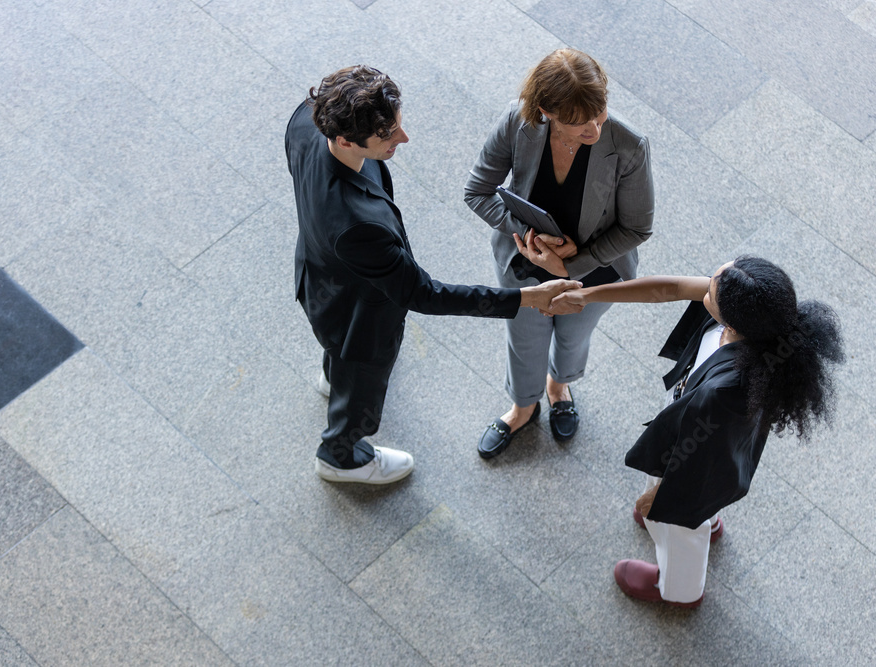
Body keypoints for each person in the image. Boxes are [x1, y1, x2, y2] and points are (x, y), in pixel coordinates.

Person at [286, 65, 580, 485]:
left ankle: (336, 376)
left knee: (341, 360)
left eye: (398, 125)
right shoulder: (358, 225)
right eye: (388, 137)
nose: (403, 139)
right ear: (346, 140)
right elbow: (423, 293)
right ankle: (340, 455)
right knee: (363, 389)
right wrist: (529, 298)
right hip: (362, 318)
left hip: (320, 279)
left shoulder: (306, 119)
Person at [548, 256, 845, 606]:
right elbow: (669, 287)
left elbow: (698, 459)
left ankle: (680, 590)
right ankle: (706, 517)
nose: (707, 284)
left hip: (695, 451)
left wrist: (664, 499)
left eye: (712, 291)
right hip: (706, 434)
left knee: (679, 528)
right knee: (690, 504)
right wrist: (589, 295)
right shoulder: (753, 321)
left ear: (732, 322)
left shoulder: (726, 392)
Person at [464, 48, 654, 459]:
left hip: (597, 273)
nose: (594, 130)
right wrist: (533, 239)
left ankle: (559, 385)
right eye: (578, 123)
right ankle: (523, 406)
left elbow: (637, 227)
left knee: (573, 336)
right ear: (547, 110)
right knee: (524, 338)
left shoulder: (629, 146)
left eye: (600, 113)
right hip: (524, 264)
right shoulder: (519, 122)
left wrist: (569, 265)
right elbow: (476, 191)